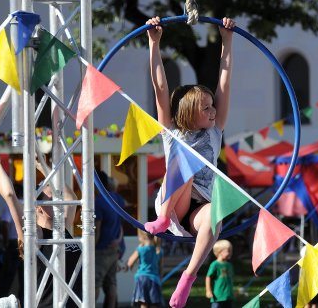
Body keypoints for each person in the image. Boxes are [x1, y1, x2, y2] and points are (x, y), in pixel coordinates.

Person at [142, 16, 235, 307]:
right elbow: (160, 87)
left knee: (215, 213)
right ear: (187, 112)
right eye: (205, 108)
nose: (212, 111)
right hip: (172, 204)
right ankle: (160, 218)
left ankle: (188, 277)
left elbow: (225, 81)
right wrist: (153, 44)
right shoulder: (172, 132)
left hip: (198, 212)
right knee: (186, 163)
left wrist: (227, 41)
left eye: (212, 107)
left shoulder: (215, 130)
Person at [0, 150, 82, 307]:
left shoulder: (63, 228)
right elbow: (10, 196)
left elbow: (72, 198)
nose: (59, 200)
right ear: (39, 208)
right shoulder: (36, 235)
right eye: (53, 198)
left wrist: (41, 165)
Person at [94, 169, 126, 307]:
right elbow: (121, 223)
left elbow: (97, 230)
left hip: (101, 249)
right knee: (111, 283)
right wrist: (119, 239)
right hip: (115, 248)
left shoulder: (98, 202)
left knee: (94, 283)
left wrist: (91, 248)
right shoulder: (117, 198)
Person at [126, 230, 163, 308]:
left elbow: (130, 263)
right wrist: (160, 279)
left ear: (143, 237)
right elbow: (161, 268)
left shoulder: (140, 249)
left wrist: (131, 269)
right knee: (154, 303)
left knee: (143, 303)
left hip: (141, 278)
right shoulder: (159, 250)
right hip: (154, 279)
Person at [205, 240, 235, 308]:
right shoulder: (215, 264)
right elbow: (208, 277)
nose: (230, 253)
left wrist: (232, 292)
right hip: (217, 296)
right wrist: (208, 291)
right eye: (228, 251)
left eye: (231, 250)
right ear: (219, 252)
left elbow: (230, 280)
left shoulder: (229, 265)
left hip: (228, 296)